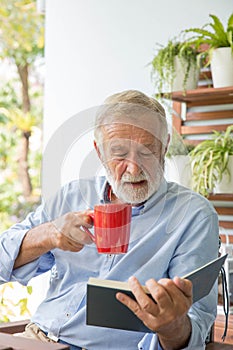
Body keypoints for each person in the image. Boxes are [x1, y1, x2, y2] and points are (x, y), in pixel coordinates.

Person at [0, 90, 219, 350]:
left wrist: (172, 327)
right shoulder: (70, 196)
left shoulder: (193, 214)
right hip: (38, 340)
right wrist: (47, 234)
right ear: (99, 151)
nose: (134, 168)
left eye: (147, 150)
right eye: (119, 152)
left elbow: (195, 327)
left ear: (165, 146)